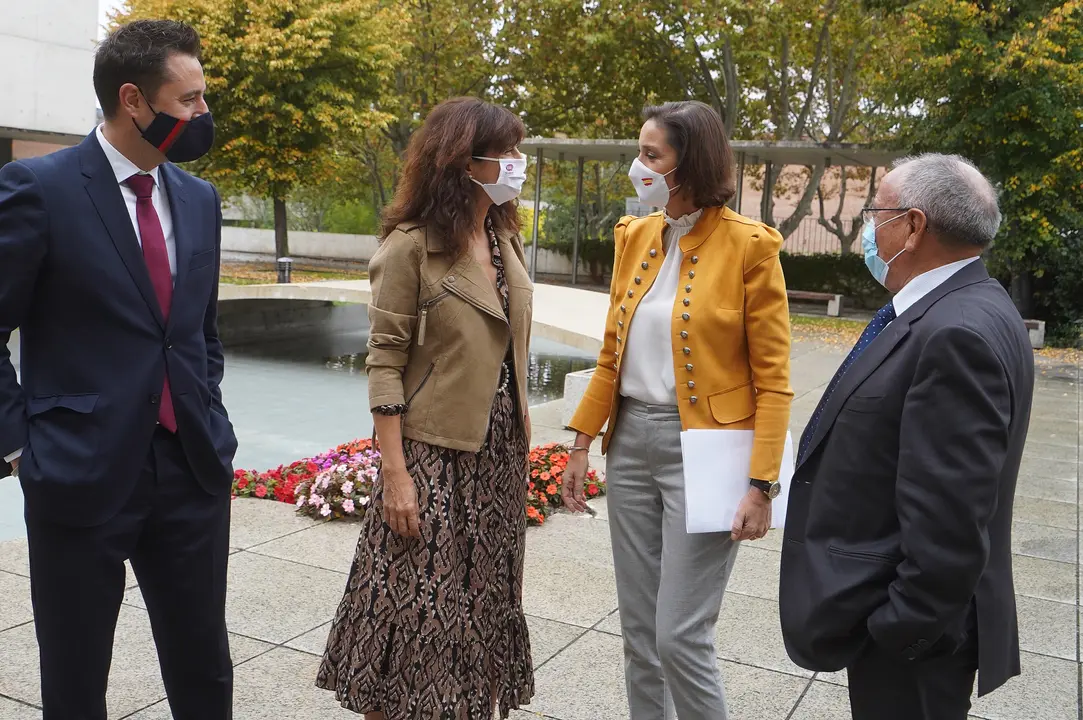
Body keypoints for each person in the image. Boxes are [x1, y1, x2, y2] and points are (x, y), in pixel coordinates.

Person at [0, 19, 237, 720]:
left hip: (190, 469)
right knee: (75, 682)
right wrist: (19, 447)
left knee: (205, 670)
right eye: (189, 99)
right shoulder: (38, 188)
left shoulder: (199, 198)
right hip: (78, 472)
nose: (203, 113)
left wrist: (210, 414)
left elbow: (198, 331)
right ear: (133, 100)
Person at [779, 153, 1034, 720]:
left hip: (916, 643)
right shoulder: (961, 306)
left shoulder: (955, 334)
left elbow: (951, 521)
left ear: (914, 226)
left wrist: (899, 629)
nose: (868, 228)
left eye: (877, 213)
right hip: (912, 622)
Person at [562, 101, 793, 720]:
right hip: (630, 443)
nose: (637, 166)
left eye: (650, 155)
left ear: (688, 164)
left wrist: (762, 484)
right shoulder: (634, 237)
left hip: (710, 452)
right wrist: (581, 443)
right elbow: (611, 354)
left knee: (680, 636)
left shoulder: (750, 246)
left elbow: (774, 382)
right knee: (641, 637)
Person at [316, 97, 535, 720]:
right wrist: (395, 473)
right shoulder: (410, 247)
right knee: (413, 608)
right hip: (431, 453)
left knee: (481, 606)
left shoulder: (504, 238)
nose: (518, 163)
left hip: (499, 454)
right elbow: (385, 360)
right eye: (507, 152)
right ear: (464, 162)